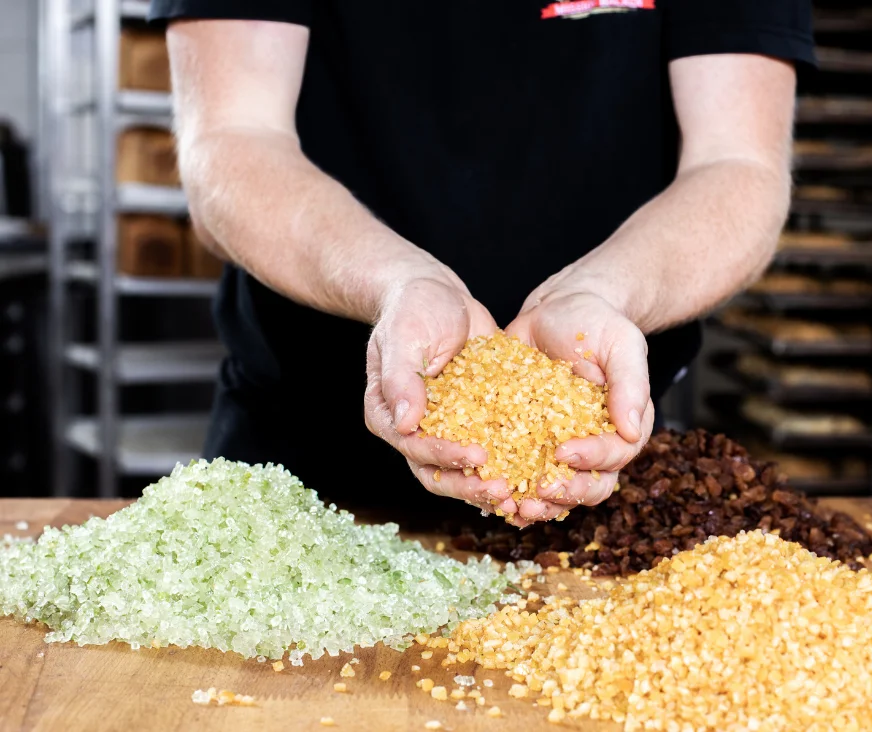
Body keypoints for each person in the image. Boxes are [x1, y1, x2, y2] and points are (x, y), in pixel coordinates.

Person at [149, 0, 814, 527]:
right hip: (297, 475)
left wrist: (602, 295)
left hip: (596, 466)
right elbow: (235, 141)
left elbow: (738, 165)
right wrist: (401, 283)